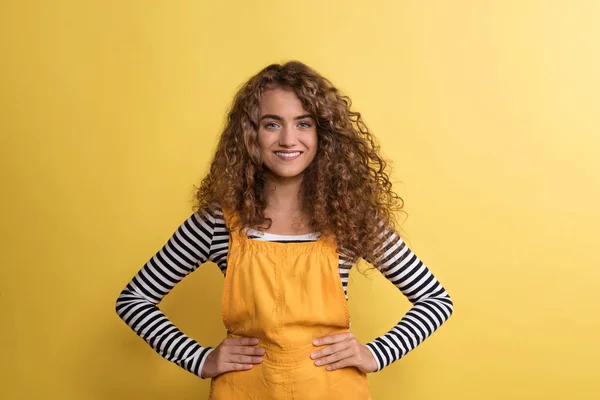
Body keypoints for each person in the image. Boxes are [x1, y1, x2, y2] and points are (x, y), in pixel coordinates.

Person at [115, 61, 454, 399]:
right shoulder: (217, 224)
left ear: (324, 134)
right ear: (250, 135)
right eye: (272, 124)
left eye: (303, 123)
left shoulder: (350, 220)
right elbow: (134, 300)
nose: (288, 139)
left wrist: (375, 354)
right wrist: (200, 359)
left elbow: (435, 300)